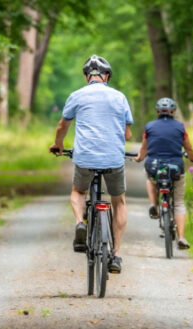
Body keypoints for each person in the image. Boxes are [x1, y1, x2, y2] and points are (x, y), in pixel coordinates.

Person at [49, 55, 133, 273]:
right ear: (107, 77)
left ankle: (80, 223)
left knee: (78, 191)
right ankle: (116, 255)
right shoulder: (120, 97)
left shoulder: (76, 96)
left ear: (87, 77)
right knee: (119, 201)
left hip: (85, 157)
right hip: (114, 158)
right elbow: (128, 133)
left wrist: (58, 144)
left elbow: (62, 126)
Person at [134, 97, 193, 249]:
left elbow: (143, 150)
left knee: (150, 179)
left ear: (157, 111)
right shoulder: (180, 127)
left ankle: (153, 204)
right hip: (175, 168)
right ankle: (181, 237)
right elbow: (188, 148)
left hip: (154, 167)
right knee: (179, 203)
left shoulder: (149, 127)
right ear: (173, 112)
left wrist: (139, 158)